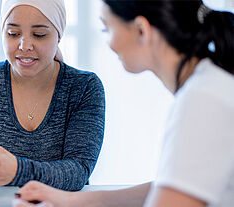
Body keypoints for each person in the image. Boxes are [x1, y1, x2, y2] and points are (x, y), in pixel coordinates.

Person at [13, 0, 234, 207]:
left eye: (107, 29)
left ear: (141, 30)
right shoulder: (209, 84)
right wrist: (72, 201)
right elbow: (174, 185)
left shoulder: (202, 101)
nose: (110, 45)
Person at [0, 0, 106, 206]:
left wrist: (17, 171)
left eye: (39, 35)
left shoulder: (84, 87)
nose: (24, 45)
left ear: (59, 35)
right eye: (13, 34)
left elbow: (78, 171)